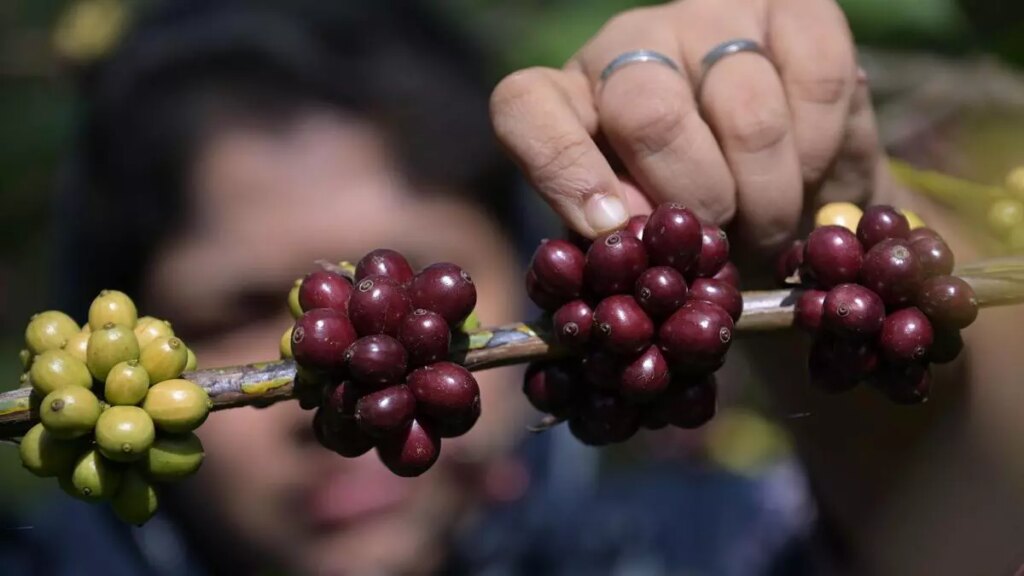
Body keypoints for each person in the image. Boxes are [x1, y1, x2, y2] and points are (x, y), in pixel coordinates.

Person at [6, 1, 1024, 575]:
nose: (324, 379)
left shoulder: (684, 550)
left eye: (398, 277)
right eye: (235, 306)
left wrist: (817, 239)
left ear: (525, 264)